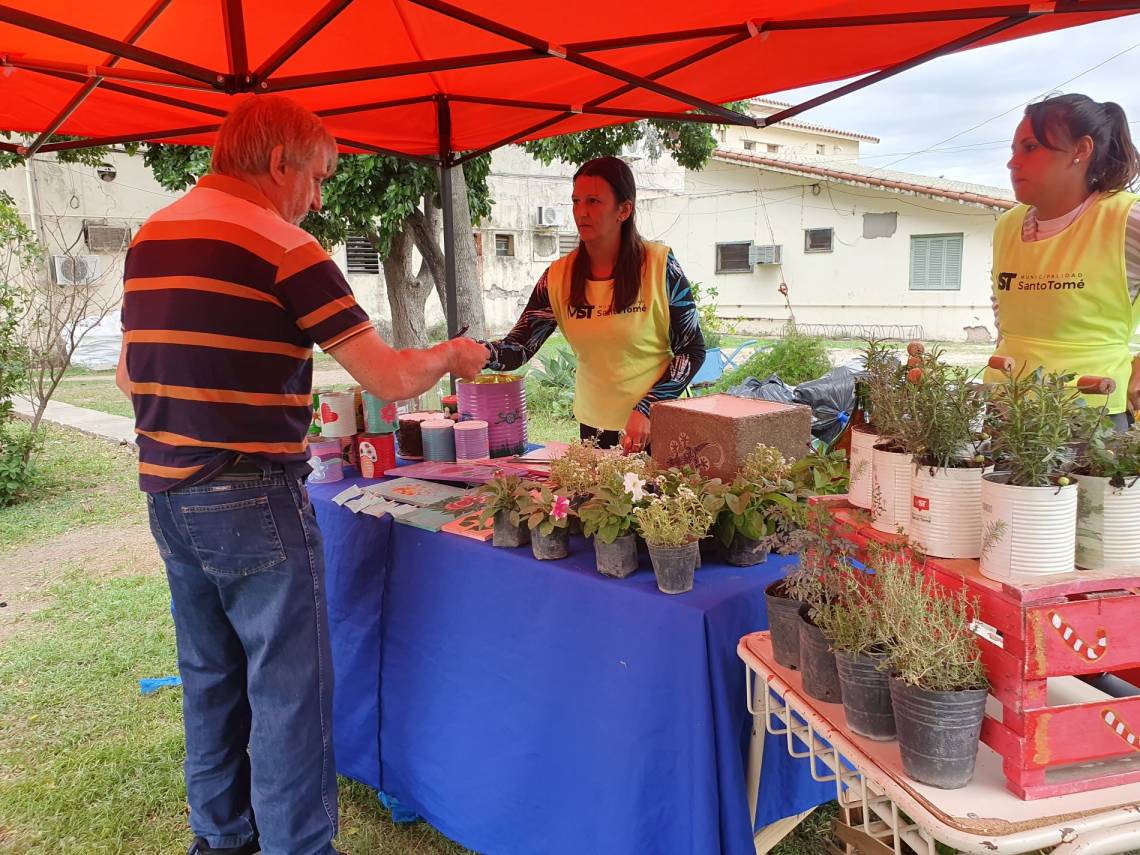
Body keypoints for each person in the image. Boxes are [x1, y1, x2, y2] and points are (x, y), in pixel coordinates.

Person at [115, 95, 487, 855]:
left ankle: (219, 841)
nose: (317, 199)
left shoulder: (150, 235)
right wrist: (451, 354)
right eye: (316, 178)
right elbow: (386, 377)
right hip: (250, 493)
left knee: (210, 679)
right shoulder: (285, 246)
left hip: (167, 493)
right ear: (279, 161)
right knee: (289, 698)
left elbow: (128, 375)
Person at [483, 156, 705, 452]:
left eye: (593, 201)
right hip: (595, 427)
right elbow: (519, 349)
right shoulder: (558, 276)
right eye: (575, 201)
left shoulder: (660, 266)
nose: (581, 212)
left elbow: (692, 350)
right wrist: (477, 352)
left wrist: (648, 407)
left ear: (624, 210)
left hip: (655, 424)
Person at [987, 93, 1140, 430]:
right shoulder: (1007, 226)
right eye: (1013, 150)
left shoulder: (1126, 217)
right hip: (1006, 406)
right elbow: (1003, 307)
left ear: (1080, 150)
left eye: (1030, 148)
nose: (1013, 163)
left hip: (1089, 414)